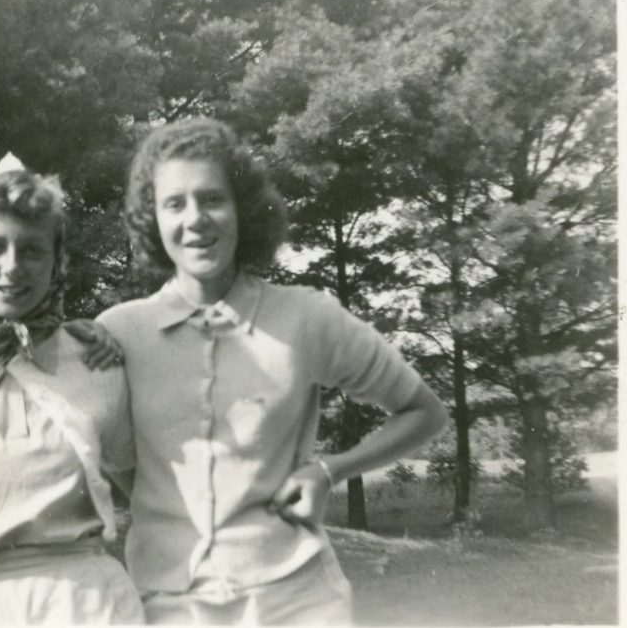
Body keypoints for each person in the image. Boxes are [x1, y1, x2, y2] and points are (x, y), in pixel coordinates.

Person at [97, 118, 449, 625]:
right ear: (152, 219)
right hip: (168, 604)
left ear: (242, 208)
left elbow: (424, 412)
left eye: (212, 198)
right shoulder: (118, 333)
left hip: (297, 599)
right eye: (175, 203)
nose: (195, 219)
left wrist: (329, 470)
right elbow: (118, 458)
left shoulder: (307, 318)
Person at [0, 154, 145, 625]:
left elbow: (148, 491)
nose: (12, 267)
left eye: (32, 250)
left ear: (57, 261)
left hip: (87, 603)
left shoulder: (98, 359)